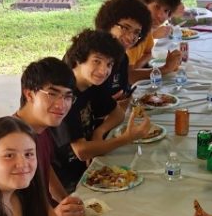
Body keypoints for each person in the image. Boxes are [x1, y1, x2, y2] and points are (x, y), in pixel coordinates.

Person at [52, 28, 153, 192]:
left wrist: (99, 132)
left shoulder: (91, 84)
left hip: (91, 162)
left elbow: (118, 113)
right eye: (97, 61)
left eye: (109, 64)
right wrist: (126, 138)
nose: (104, 70)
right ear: (78, 59)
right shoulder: (64, 96)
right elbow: (82, 151)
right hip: (68, 178)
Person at [13, 57, 85, 216]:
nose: (61, 105)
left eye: (67, 97)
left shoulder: (42, 127)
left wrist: (65, 200)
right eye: (52, 94)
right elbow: (12, 209)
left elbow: (46, 168)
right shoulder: (14, 140)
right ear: (29, 94)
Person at [123, 0, 184, 82]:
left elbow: (148, 53)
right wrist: (165, 68)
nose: (161, 15)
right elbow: (126, 77)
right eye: (156, 7)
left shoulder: (146, 31)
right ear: (142, 3)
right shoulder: (132, 32)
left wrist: (137, 67)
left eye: (166, 11)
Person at [93, 0, 153, 100]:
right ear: (108, 23)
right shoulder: (90, 55)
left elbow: (123, 94)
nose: (131, 37)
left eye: (136, 32)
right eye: (125, 27)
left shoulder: (123, 58)